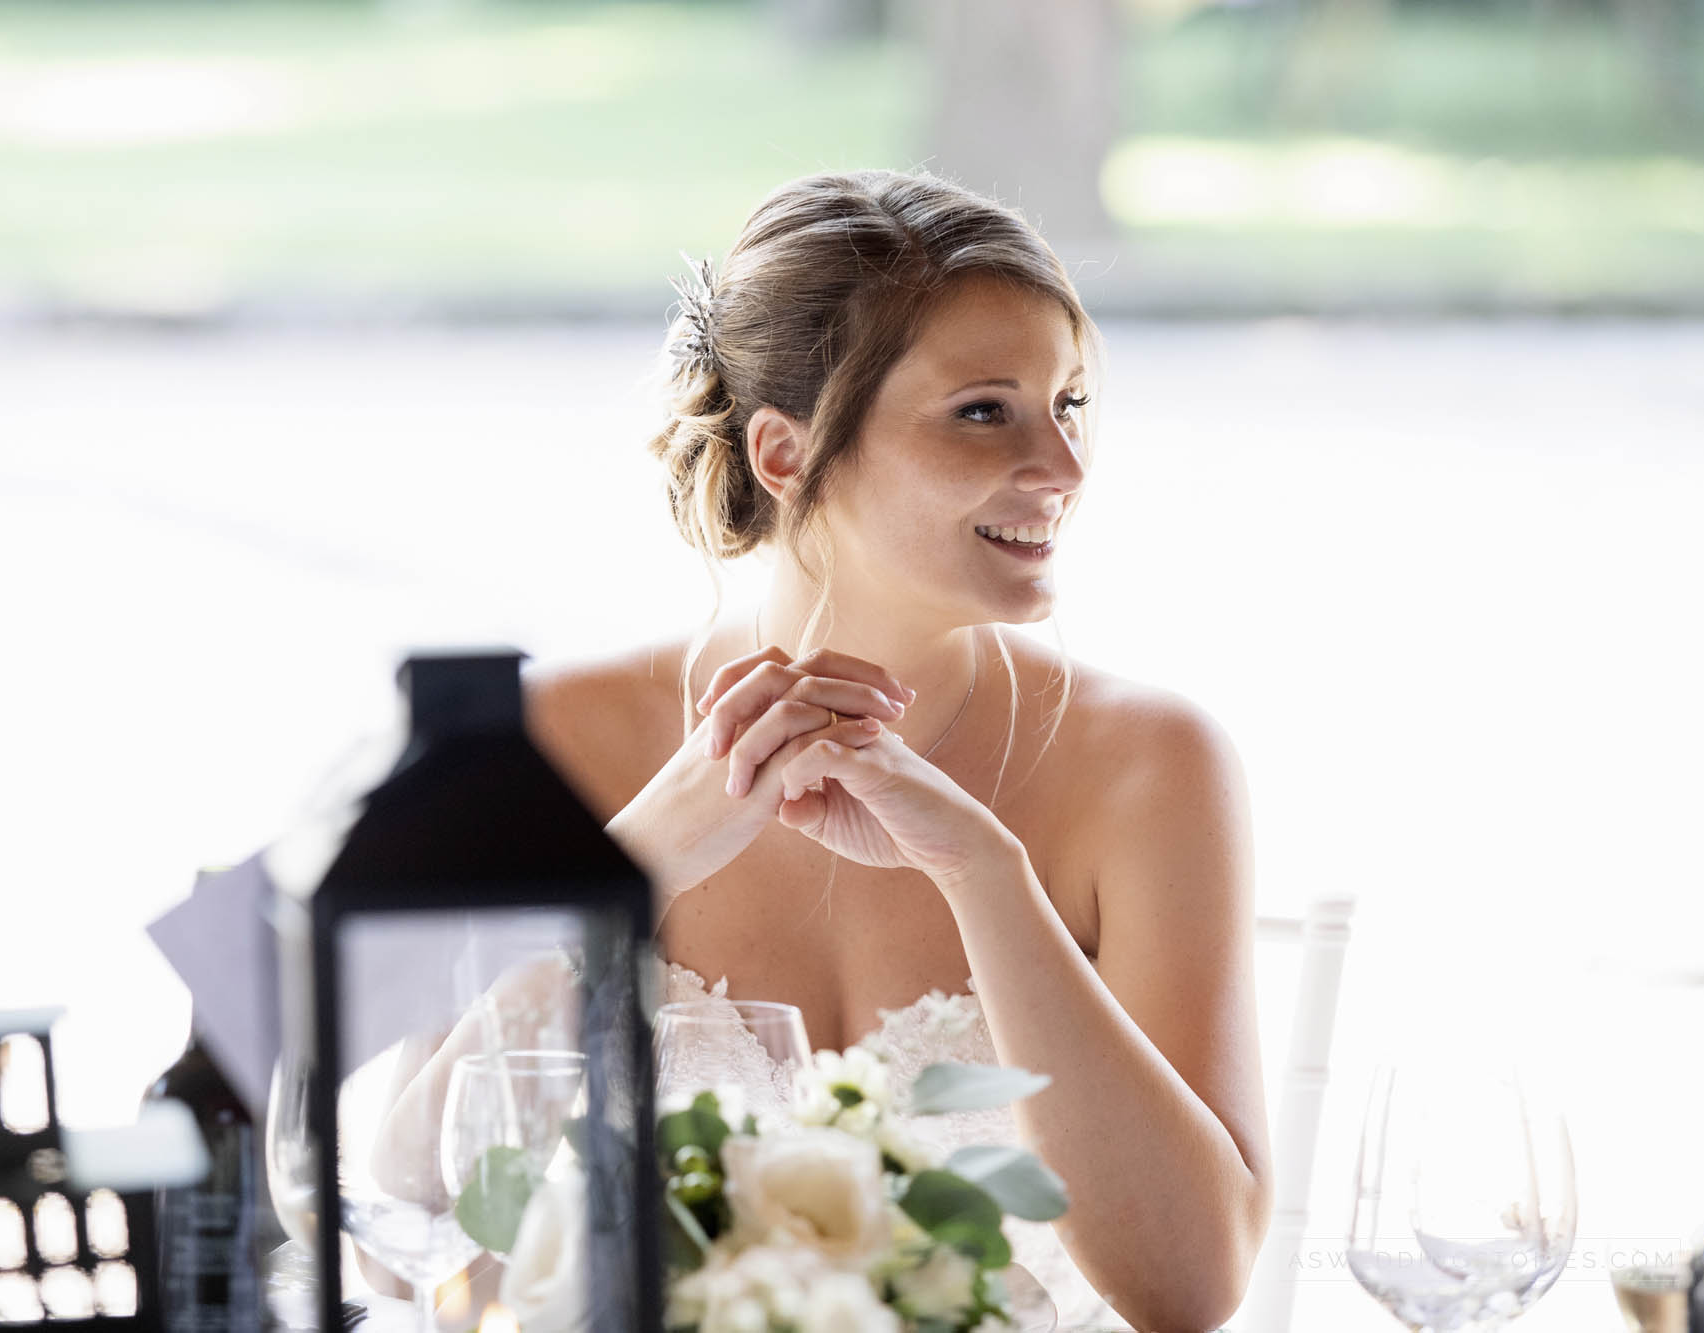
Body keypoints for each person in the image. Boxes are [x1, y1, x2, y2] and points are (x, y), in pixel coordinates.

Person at [525, 169, 1269, 1333]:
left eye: (1067, 405)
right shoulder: (562, 737)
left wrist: (985, 873)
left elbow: (1190, 1289)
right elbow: (402, 1206)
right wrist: (631, 869)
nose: (1062, 471)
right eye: (985, 410)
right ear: (784, 452)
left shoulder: (1150, 766)